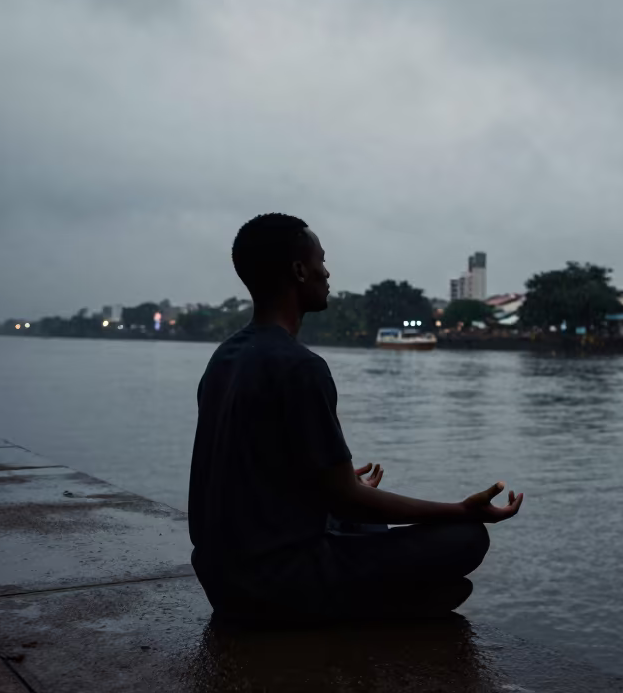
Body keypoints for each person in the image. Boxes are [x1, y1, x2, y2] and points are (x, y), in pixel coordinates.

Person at [189, 213, 524, 623]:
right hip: (276, 583)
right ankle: (373, 607)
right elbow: (347, 498)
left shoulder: (223, 358)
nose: (327, 273)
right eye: (321, 261)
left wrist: (339, 490)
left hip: (220, 577)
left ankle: (388, 600)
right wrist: (461, 509)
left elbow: (253, 477)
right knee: (466, 539)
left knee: (364, 526)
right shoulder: (301, 367)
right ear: (298, 270)